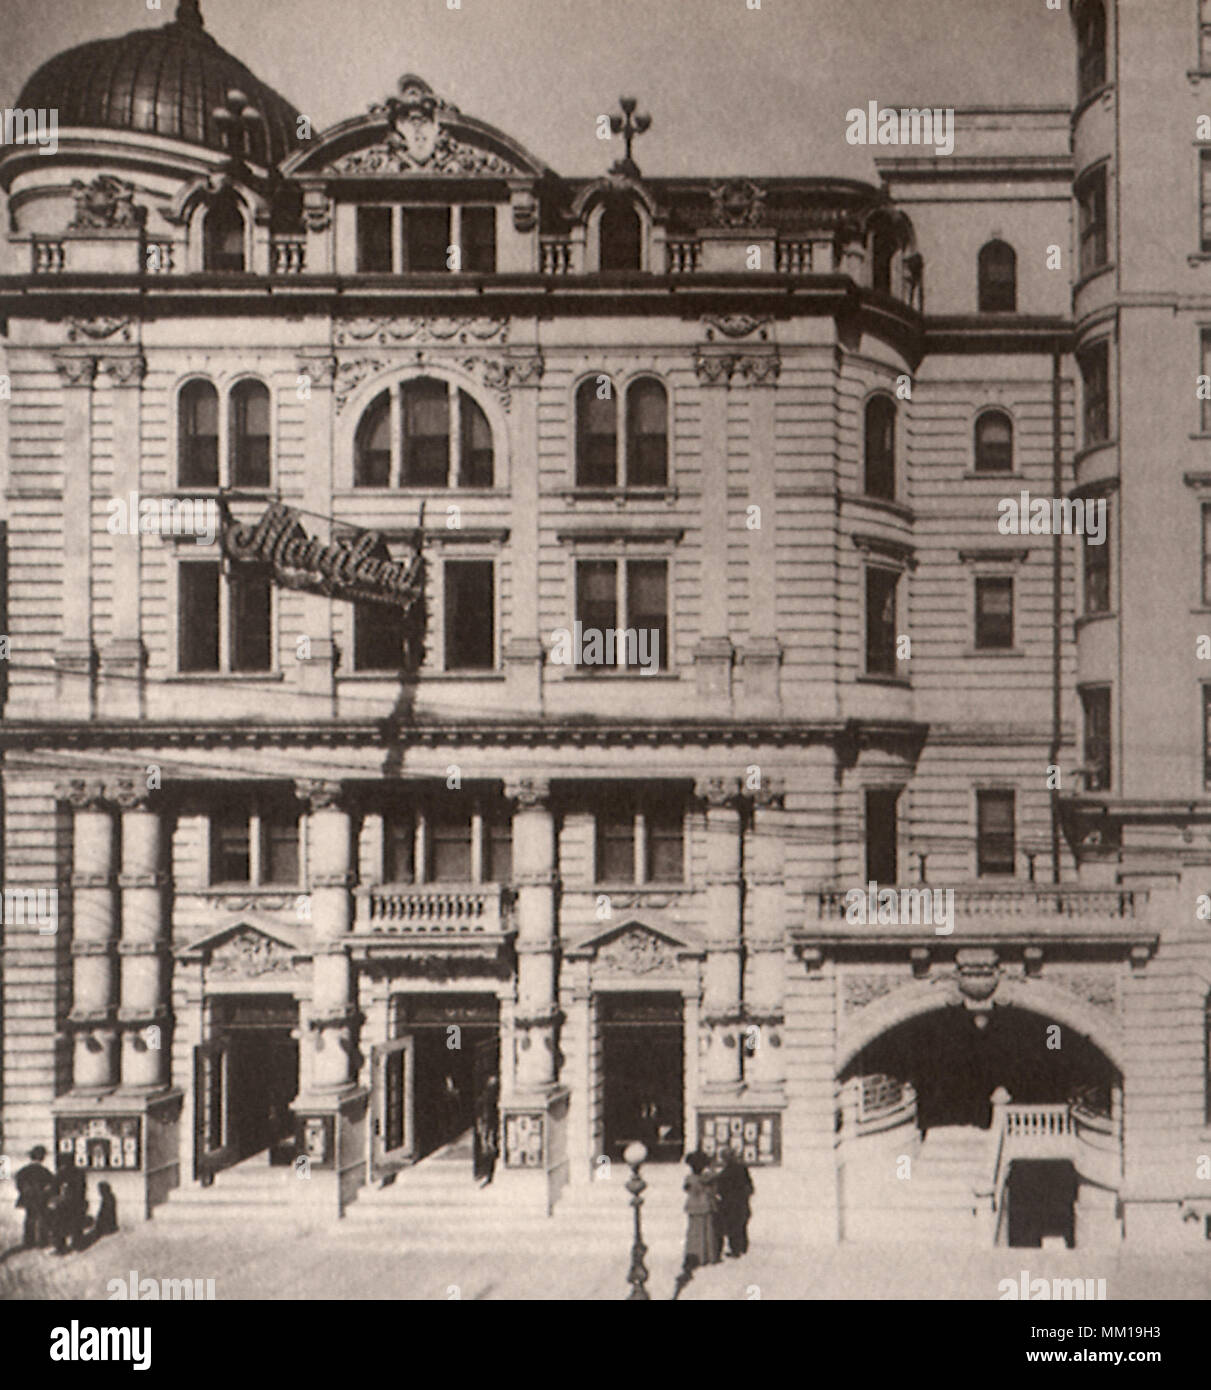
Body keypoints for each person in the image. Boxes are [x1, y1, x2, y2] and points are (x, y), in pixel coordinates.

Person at [679, 1150, 720, 1278]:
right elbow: (713, 1187)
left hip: (693, 1206)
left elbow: (686, 1189)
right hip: (706, 1206)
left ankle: (695, 1254)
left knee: (694, 1232)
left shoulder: (689, 1179)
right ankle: (708, 1255)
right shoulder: (708, 1178)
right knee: (707, 1232)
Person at [714, 1146, 755, 1258]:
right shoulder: (742, 1168)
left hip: (730, 1203)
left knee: (733, 1226)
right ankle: (743, 1247)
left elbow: (720, 1187)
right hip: (742, 1201)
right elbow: (750, 1185)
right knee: (741, 1226)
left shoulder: (726, 1172)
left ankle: (736, 1250)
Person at [14, 1146, 54, 1250]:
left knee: (29, 1218)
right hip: (41, 1198)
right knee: (43, 1218)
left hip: (28, 1198)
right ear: (42, 1158)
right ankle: (43, 1241)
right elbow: (51, 1184)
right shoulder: (44, 1171)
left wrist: (24, 1191)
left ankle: (29, 1241)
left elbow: (19, 1183)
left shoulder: (24, 1170)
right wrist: (45, 1193)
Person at [50, 1155, 88, 1255]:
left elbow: (54, 1188)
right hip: (77, 1202)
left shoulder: (61, 1173)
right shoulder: (80, 1173)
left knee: (59, 1225)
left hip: (64, 1203)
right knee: (76, 1223)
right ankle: (78, 1244)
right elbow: (83, 1189)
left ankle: (60, 1247)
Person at [473, 1075, 500, 1187]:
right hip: (487, 1126)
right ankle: (485, 1173)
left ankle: (485, 1173)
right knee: (487, 1149)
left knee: (488, 1150)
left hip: (488, 1127)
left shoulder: (485, 1100)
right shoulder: (486, 1100)